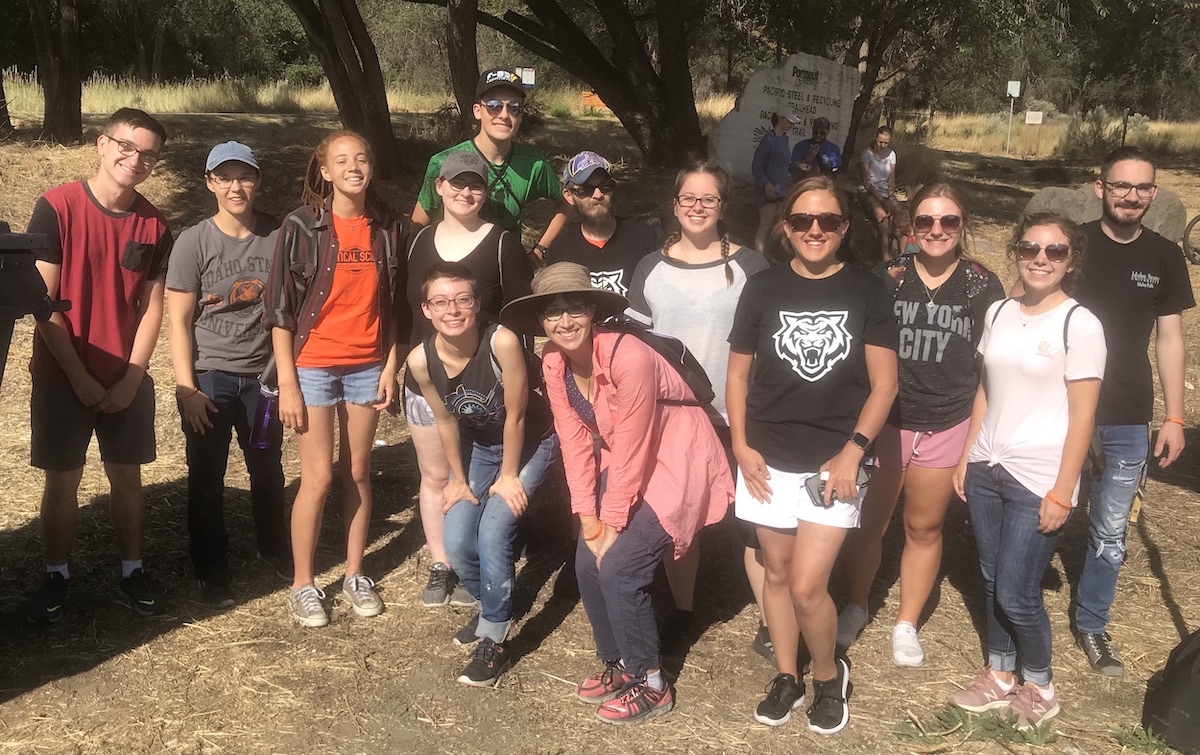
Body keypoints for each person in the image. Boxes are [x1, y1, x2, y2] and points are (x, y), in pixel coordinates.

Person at [499, 262, 733, 726]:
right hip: (626, 460)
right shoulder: (553, 360)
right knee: (588, 559)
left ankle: (651, 683)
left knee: (623, 567)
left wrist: (613, 521)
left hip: (675, 459)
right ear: (541, 323)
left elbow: (632, 447)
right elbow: (574, 443)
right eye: (552, 313)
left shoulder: (630, 356)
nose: (564, 322)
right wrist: (588, 517)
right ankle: (619, 664)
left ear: (592, 311)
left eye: (575, 309)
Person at [728, 176, 898, 735]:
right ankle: (786, 674)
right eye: (803, 221)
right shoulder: (762, 289)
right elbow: (737, 374)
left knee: (806, 584)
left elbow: (885, 385)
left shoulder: (868, 291)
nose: (815, 230)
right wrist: (740, 444)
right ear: (786, 227)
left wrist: (854, 451)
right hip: (767, 456)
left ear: (845, 227)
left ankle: (828, 673)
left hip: (833, 462)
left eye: (828, 220)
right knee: (776, 573)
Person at [837, 183, 1004, 665]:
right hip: (887, 423)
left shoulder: (980, 283)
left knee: (924, 527)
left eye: (948, 221)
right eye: (926, 221)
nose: (936, 231)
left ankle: (906, 622)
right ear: (910, 225)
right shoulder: (886, 278)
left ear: (962, 225)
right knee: (869, 525)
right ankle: (856, 603)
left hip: (946, 422)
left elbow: (990, 367)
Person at [951, 213, 1106, 729]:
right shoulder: (998, 310)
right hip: (986, 467)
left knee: (1018, 589)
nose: (1041, 258)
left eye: (1055, 251)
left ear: (1071, 260)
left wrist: (1064, 491)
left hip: (1036, 477)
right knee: (993, 577)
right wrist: (967, 452)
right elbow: (985, 389)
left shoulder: (1079, 324)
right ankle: (1000, 674)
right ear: (1017, 251)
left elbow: (1083, 414)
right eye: (1030, 247)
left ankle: (1040, 684)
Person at [24, 108, 173, 624]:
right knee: (62, 482)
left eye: (149, 153)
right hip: (60, 376)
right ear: (101, 144)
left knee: (127, 481)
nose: (136, 159)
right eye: (126, 147)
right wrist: (80, 377)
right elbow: (43, 303)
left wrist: (133, 377)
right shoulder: (56, 208)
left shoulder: (155, 224)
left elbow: (153, 307)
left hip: (124, 380)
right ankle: (56, 573)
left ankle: (132, 570)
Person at [625, 161, 771, 660]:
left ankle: (775, 620)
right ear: (674, 204)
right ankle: (684, 610)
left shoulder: (751, 267)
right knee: (677, 518)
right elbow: (636, 345)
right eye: (689, 198)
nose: (697, 207)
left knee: (758, 522)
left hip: (740, 413)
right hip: (675, 417)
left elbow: (770, 343)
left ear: (723, 208)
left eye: (708, 199)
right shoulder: (650, 268)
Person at [264, 129, 402, 628]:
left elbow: (397, 306)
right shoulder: (301, 226)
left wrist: (391, 364)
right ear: (324, 171)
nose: (353, 167)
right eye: (341, 160)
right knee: (319, 477)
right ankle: (303, 583)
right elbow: (279, 310)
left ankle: (354, 573)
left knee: (359, 472)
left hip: (368, 364)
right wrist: (289, 382)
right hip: (313, 366)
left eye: (361, 158)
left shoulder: (387, 227)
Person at [1069, 146, 1195, 676]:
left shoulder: (1165, 256)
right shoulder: (1071, 245)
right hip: (1061, 406)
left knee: (1111, 527)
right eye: (1121, 186)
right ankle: (1017, 609)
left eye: (1142, 188)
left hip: (1126, 413)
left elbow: (1170, 339)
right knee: (1038, 513)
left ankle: (1092, 623)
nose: (1131, 196)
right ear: (1100, 188)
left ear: (1155, 194)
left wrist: (1174, 416)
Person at [406, 262, 558, 687]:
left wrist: (508, 476)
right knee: (455, 541)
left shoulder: (502, 342)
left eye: (462, 300)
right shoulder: (421, 360)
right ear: (427, 309)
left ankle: (495, 637)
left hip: (529, 442)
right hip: (479, 449)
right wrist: (456, 478)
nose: (452, 310)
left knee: (494, 532)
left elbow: (518, 413)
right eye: (441, 302)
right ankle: (490, 603)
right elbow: (446, 421)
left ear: (477, 304)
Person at [401, 150, 534, 608]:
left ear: (486, 192)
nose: (465, 192)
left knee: (476, 474)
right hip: (426, 378)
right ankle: (443, 563)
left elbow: (521, 317)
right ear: (437, 187)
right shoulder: (418, 242)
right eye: (455, 183)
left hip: (484, 387)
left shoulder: (502, 242)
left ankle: (477, 554)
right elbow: (406, 311)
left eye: (475, 184)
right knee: (435, 473)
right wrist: (391, 366)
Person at [166, 141, 291, 609]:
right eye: (225, 177)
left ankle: (274, 548)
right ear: (210, 183)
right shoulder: (193, 242)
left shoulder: (279, 234)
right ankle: (211, 570)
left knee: (266, 466)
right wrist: (188, 388)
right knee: (206, 476)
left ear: (257, 181)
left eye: (244, 177)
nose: (236, 187)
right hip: (211, 378)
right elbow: (177, 320)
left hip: (264, 379)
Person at [411, 68, 568, 265]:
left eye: (514, 108)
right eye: (494, 106)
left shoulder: (533, 164)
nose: (504, 115)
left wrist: (539, 251)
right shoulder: (443, 162)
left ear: (520, 116)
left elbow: (565, 204)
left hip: (506, 270)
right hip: (453, 270)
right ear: (477, 110)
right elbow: (418, 224)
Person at [544, 150, 656, 296]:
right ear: (569, 196)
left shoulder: (644, 238)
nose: (598, 195)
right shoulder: (561, 248)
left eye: (605, 187)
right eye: (586, 189)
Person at [752, 112, 797, 252]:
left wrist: (797, 165)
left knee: (779, 227)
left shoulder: (784, 140)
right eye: (789, 121)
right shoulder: (767, 140)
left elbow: (783, 164)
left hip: (781, 190)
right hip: (768, 191)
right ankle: (759, 259)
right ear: (780, 119)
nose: (792, 124)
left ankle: (767, 255)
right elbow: (756, 166)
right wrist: (766, 184)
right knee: (765, 226)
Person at [858, 126, 898, 261]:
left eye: (886, 143)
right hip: (869, 192)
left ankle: (904, 255)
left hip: (885, 192)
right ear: (875, 138)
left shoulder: (891, 155)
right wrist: (882, 200)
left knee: (902, 217)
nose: (882, 146)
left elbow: (891, 178)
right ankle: (885, 254)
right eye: (880, 142)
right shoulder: (866, 154)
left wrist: (891, 197)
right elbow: (867, 182)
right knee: (882, 214)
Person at [790, 116, 842, 182]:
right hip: (805, 185)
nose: (818, 135)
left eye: (822, 133)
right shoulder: (800, 146)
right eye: (815, 132)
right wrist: (808, 159)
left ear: (827, 132)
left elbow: (836, 175)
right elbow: (794, 175)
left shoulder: (834, 149)